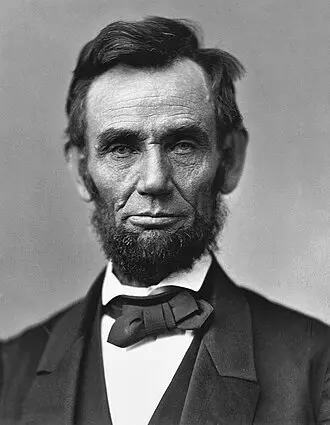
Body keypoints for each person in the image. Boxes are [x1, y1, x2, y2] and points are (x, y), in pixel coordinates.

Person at [1, 16, 330, 425]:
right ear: (80, 170)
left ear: (230, 160)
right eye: (121, 148)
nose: (154, 180)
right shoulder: (8, 374)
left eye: (183, 144)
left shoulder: (318, 367)